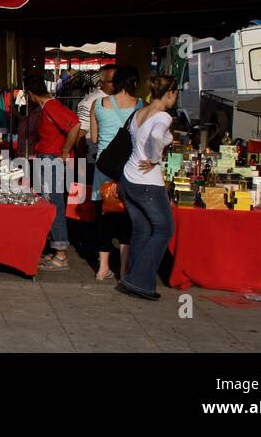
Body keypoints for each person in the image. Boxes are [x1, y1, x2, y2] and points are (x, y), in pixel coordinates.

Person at [116, 75, 179, 301]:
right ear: (170, 93)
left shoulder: (139, 113)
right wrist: (155, 158)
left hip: (128, 178)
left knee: (141, 229)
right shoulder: (163, 115)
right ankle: (138, 280)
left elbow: (153, 136)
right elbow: (155, 135)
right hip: (148, 183)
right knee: (164, 229)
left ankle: (136, 279)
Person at [26, 73, 82, 272]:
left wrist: (65, 150)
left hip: (51, 159)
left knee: (53, 203)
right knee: (51, 201)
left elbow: (75, 124)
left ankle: (60, 253)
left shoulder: (51, 106)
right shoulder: (48, 107)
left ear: (31, 94)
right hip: (47, 158)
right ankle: (56, 248)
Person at [91, 65, 140, 282]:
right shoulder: (141, 107)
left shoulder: (98, 104)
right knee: (127, 218)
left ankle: (102, 268)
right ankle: (124, 270)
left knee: (105, 217)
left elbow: (94, 138)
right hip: (130, 168)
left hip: (104, 166)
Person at [76, 66, 115, 147]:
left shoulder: (122, 99)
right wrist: (80, 159)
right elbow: (80, 134)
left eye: (118, 80)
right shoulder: (89, 102)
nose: (115, 84)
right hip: (94, 150)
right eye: (111, 81)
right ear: (101, 82)